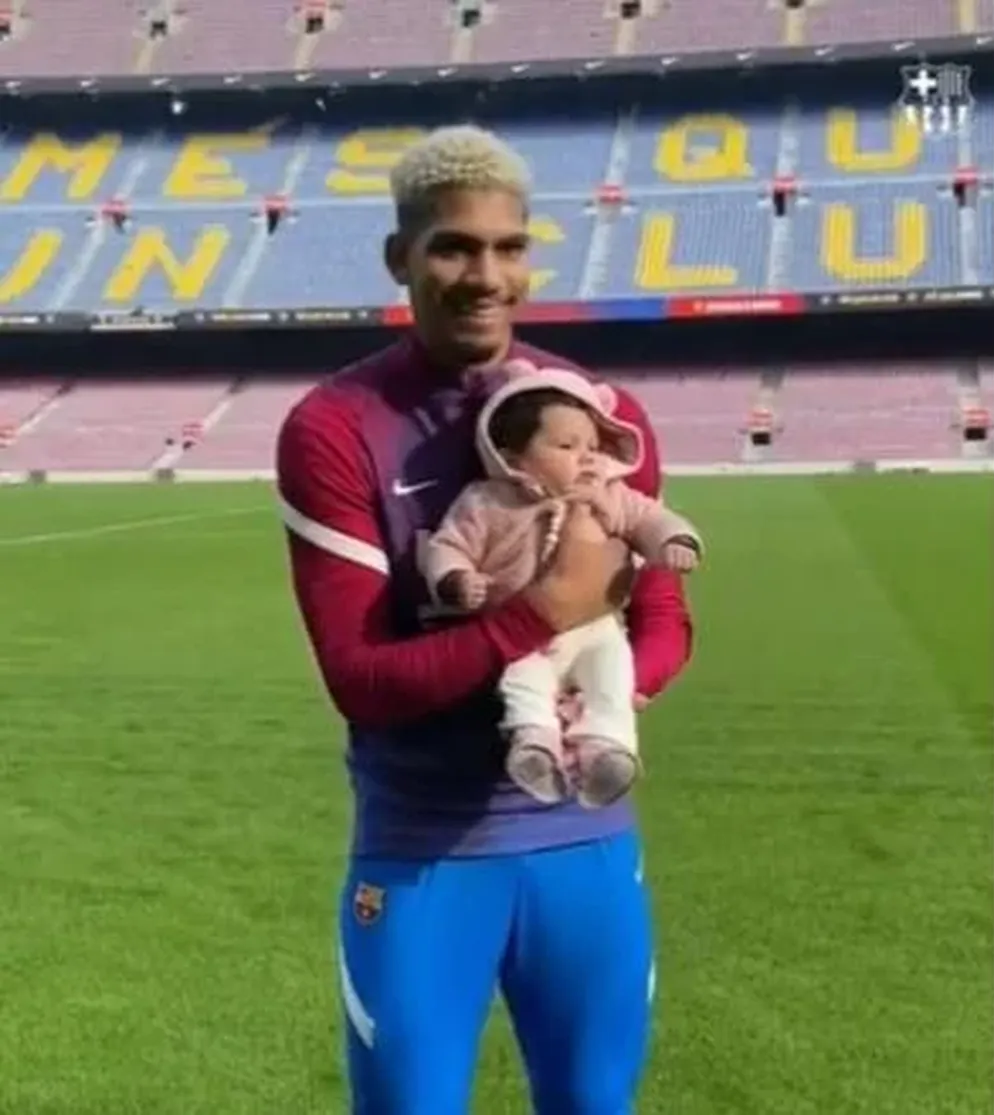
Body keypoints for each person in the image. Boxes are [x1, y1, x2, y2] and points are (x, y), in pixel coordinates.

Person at [276, 124, 695, 1115]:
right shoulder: (338, 426)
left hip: (583, 841)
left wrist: (603, 698)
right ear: (401, 258)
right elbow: (362, 680)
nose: (485, 274)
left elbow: (668, 619)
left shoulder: (596, 410)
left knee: (594, 1103)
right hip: (422, 850)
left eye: (508, 247)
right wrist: (549, 610)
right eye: (453, 247)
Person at [423, 359, 703, 810]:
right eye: (567, 445)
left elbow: (648, 517)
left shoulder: (607, 495)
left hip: (596, 627)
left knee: (612, 674)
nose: (587, 457)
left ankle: (607, 751)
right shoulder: (486, 501)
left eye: (593, 445)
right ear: (513, 455)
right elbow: (448, 545)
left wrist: (675, 540)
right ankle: (535, 744)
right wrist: (456, 579)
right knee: (523, 680)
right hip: (522, 630)